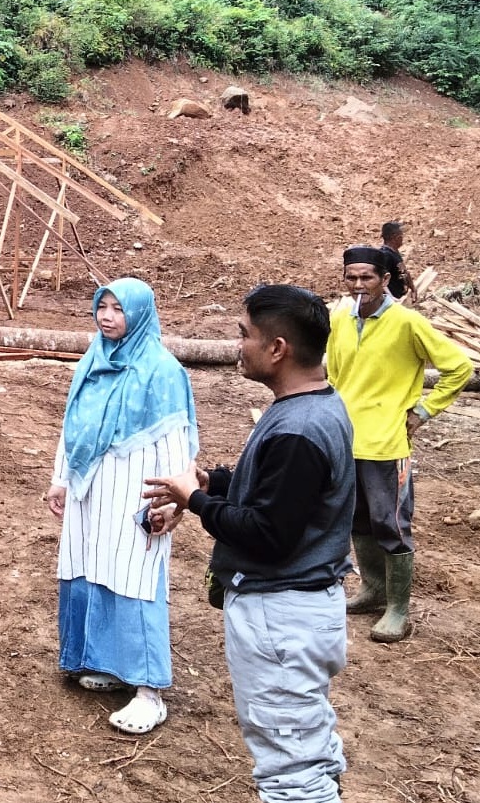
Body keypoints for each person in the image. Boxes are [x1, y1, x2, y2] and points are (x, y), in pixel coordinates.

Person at [144, 284, 354, 803]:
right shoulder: (315, 407)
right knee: (310, 747)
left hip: (280, 615)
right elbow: (280, 492)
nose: (238, 345)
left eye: (245, 335)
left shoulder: (297, 431)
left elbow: (269, 534)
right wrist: (213, 484)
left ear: (278, 349)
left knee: (291, 775)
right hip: (304, 611)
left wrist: (197, 502)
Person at [44, 277, 198, 735]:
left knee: (134, 576)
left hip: (138, 489)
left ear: (141, 314)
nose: (107, 316)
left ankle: (149, 691)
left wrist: (176, 502)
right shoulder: (94, 358)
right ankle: (103, 661)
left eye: (118, 309)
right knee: (92, 568)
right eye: (102, 306)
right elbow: (73, 422)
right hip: (90, 488)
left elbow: (176, 442)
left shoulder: (162, 371)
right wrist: (61, 478)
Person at [328, 246, 472, 642]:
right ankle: (373, 590)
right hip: (347, 440)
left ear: (385, 280)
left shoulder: (408, 322)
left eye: (367, 277)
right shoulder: (340, 320)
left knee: (391, 524)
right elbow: (338, 379)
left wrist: (423, 412)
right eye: (351, 277)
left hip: (388, 444)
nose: (358, 285)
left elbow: (459, 367)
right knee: (358, 520)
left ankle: (398, 609)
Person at [379, 222, 415, 303]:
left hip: (401, 297)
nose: (402, 239)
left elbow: (404, 271)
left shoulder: (395, 252)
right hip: (393, 300)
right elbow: (381, 278)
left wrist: (413, 288)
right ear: (395, 237)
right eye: (401, 236)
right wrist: (390, 297)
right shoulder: (385, 255)